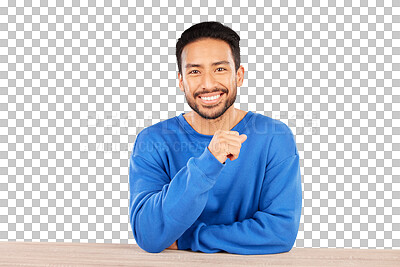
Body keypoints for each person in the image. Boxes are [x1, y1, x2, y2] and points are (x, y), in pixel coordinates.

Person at [129, 21, 302, 255]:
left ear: (239, 76)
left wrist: (190, 239)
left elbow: (280, 232)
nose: (208, 84)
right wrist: (210, 160)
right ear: (181, 81)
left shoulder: (274, 137)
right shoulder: (152, 140)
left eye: (220, 69)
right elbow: (148, 234)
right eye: (195, 71)